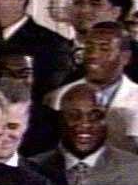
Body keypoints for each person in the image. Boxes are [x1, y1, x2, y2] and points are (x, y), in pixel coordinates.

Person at [45, 22, 138, 153]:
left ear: (125, 57)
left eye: (104, 49)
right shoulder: (56, 97)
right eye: (89, 48)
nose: (93, 55)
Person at [64, 0, 136, 84]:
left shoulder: (134, 58)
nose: (84, 10)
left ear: (117, 11)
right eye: (78, 2)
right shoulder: (53, 49)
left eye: (95, 4)